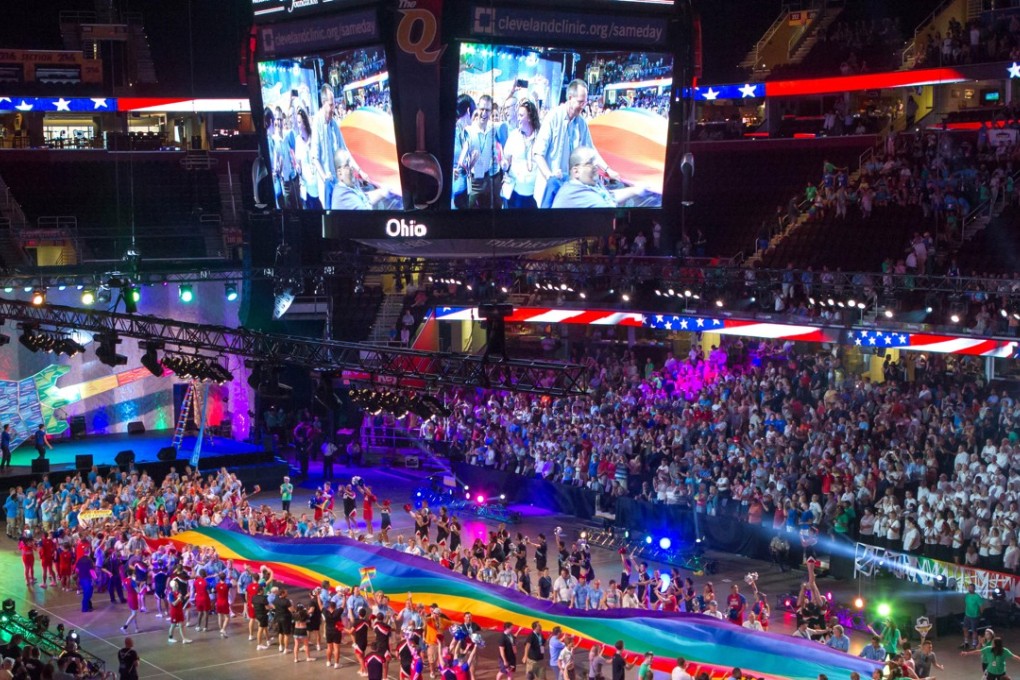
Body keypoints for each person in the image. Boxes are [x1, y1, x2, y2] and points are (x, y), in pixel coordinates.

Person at [533, 79, 616, 208]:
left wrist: (608, 170)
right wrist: (551, 178)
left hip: (570, 192)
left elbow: (591, 151)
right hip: (550, 191)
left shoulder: (581, 123)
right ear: (570, 98)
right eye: (580, 102)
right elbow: (538, 154)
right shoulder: (553, 117)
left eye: (585, 102)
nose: (583, 106)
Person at [551, 147, 646, 209]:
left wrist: (636, 190)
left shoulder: (589, 184)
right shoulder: (574, 192)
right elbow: (608, 208)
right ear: (576, 172)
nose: (596, 166)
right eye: (590, 162)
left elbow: (610, 196)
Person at [311, 83, 352, 209]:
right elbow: (314, 157)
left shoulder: (334, 124)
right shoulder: (317, 122)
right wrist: (325, 178)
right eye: (330, 104)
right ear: (323, 103)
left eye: (334, 104)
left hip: (338, 183)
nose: (333, 108)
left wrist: (358, 170)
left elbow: (344, 150)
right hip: (326, 186)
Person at [459, 94, 502, 209]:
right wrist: (471, 162)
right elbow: (462, 162)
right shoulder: (468, 131)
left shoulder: (492, 129)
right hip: (473, 181)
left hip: (487, 179)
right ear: (477, 108)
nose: (484, 113)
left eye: (487, 110)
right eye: (482, 109)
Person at [502, 99, 541, 209]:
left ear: (529, 117)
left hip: (535, 195)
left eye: (521, 115)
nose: (518, 118)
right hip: (515, 194)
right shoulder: (514, 136)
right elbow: (506, 159)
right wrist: (504, 165)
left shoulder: (541, 136)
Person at [962, 582, 984, 649]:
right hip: (967, 615)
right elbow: (966, 604)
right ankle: (966, 642)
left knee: (974, 630)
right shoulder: (967, 596)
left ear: (974, 589)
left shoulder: (977, 597)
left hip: (975, 616)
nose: (969, 589)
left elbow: (981, 607)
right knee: (965, 628)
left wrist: (980, 614)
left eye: (971, 588)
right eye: (969, 588)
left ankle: (974, 644)